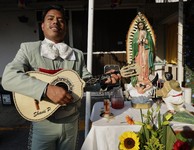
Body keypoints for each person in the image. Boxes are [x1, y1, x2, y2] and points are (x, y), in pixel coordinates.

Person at [1, 5, 121, 150]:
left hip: (72, 122)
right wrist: (45, 89)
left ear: (65, 27)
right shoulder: (28, 49)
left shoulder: (76, 54)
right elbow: (8, 77)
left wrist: (104, 81)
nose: (55, 22)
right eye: (50, 19)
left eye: (60, 20)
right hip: (43, 122)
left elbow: (85, 81)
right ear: (43, 26)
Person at [130, 20, 154, 93]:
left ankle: (146, 78)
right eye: (139, 25)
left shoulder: (147, 33)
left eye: (142, 25)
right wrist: (139, 41)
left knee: (146, 64)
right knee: (139, 64)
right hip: (139, 52)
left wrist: (145, 41)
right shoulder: (136, 34)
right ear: (138, 26)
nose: (141, 26)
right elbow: (133, 43)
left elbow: (151, 43)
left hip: (146, 51)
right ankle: (139, 78)